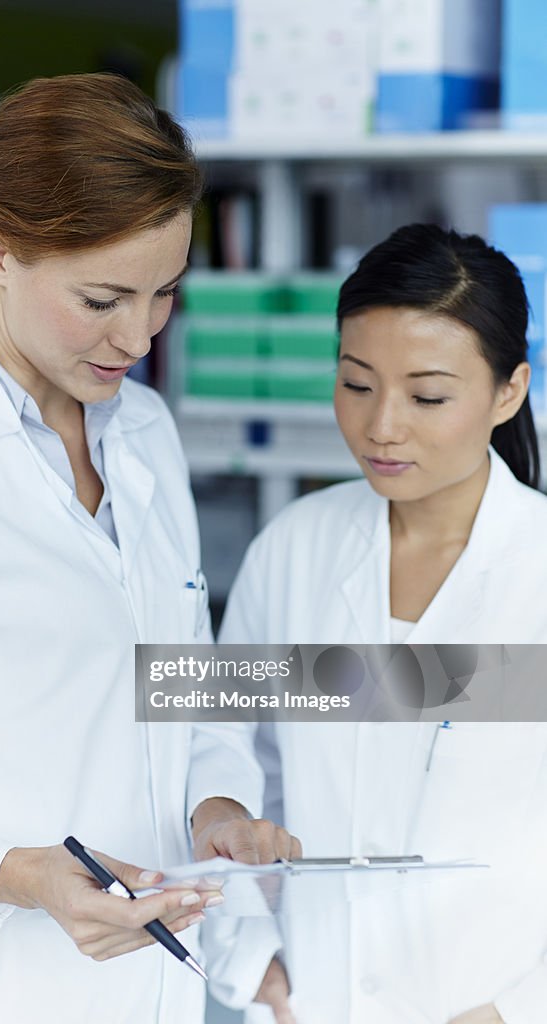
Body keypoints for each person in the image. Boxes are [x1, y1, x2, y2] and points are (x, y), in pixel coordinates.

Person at [0, 73, 299, 1024]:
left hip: (145, 989)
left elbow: (183, 678)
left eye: (163, 295)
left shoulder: (140, 430)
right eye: (102, 298)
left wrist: (215, 808)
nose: (138, 335)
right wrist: (19, 877)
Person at [217, 225, 547, 1023]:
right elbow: (220, 742)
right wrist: (252, 956)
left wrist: (514, 1007)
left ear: (509, 391)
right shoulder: (294, 545)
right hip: (309, 999)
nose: (380, 426)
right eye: (356, 383)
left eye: (427, 395)